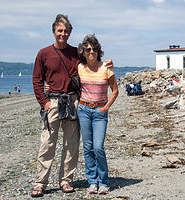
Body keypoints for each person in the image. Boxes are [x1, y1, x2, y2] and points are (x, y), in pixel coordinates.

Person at [31, 14, 80, 197]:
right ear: (54, 32)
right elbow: (37, 80)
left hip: (72, 101)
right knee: (47, 144)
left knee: (71, 143)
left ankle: (66, 180)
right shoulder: (43, 53)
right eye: (60, 30)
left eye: (66, 31)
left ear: (70, 33)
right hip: (52, 101)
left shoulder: (76, 53)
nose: (63, 34)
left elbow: (90, 66)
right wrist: (43, 102)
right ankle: (40, 182)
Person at [77, 34, 118, 195]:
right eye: (88, 49)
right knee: (87, 147)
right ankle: (92, 182)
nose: (91, 51)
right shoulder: (80, 67)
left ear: (98, 50)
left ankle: (104, 182)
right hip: (83, 110)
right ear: (83, 51)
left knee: (98, 147)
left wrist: (106, 107)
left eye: (94, 48)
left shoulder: (106, 68)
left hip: (100, 111)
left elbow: (115, 91)